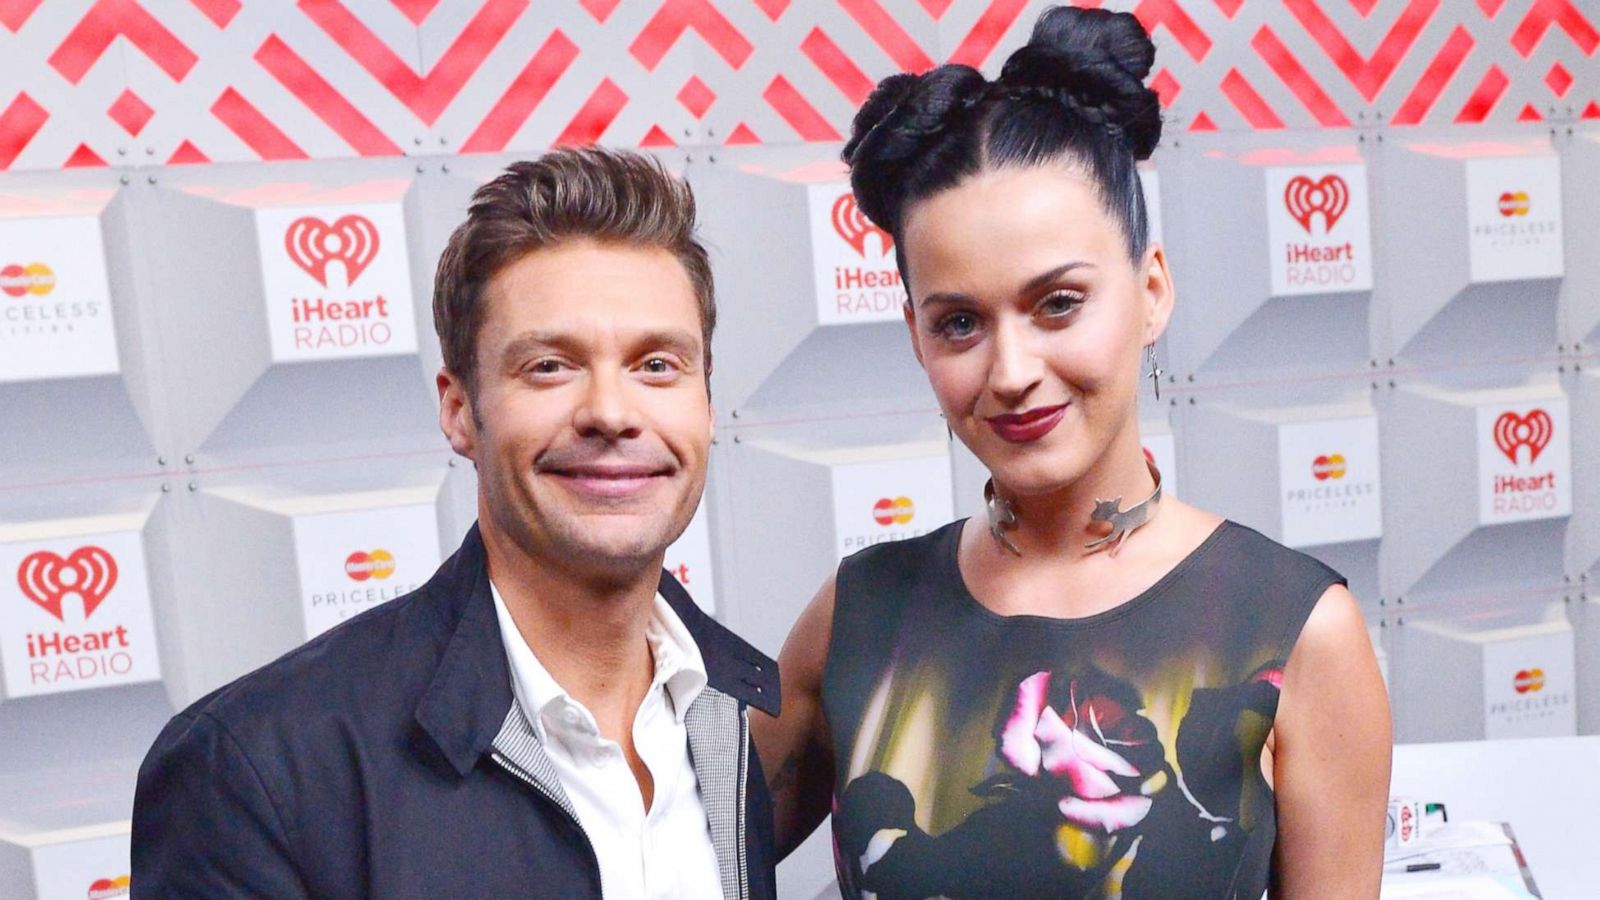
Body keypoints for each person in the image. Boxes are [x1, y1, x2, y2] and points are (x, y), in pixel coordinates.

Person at [753, 7, 1390, 898]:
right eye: (960, 323)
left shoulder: (1295, 628)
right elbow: (658, 856)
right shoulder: (857, 619)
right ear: (914, 334)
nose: (1012, 372)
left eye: (1058, 304)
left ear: (1151, 292)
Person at [131, 148, 780, 899]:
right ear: (459, 410)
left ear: (705, 403)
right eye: (549, 366)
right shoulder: (257, 770)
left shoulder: (736, 715)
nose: (611, 412)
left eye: (657, 365)